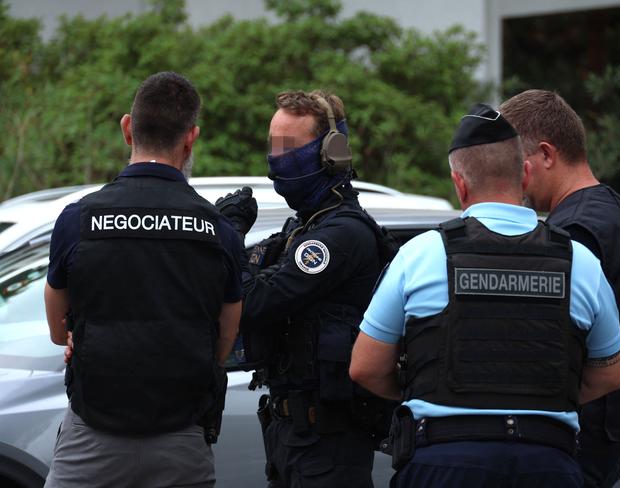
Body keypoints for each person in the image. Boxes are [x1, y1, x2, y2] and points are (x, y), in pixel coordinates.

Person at [349, 103, 620, 488]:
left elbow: (364, 367)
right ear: (526, 174)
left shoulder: (421, 254)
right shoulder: (579, 260)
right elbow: (611, 373)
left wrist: (425, 386)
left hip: (444, 463)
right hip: (548, 464)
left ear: (459, 183)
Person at [43, 71, 243, 488]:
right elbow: (223, 343)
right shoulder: (219, 231)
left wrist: (83, 334)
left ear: (128, 128)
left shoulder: (77, 220)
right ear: (191, 137)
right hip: (182, 443)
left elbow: (58, 331)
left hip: (91, 438)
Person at [218, 90, 395, 488]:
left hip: (329, 444)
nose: (276, 159)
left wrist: (228, 237)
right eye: (273, 146)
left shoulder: (341, 234)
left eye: (289, 147)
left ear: (331, 150)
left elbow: (252, 300)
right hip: (291, 436)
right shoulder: (302, 228)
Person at [500, 89, 620, 487]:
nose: (516, 179)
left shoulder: (573, 233)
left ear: (547, 154)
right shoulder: (616, 212)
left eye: (517, 163)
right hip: (613, 429)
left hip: (580, 438)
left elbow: (549, 349)